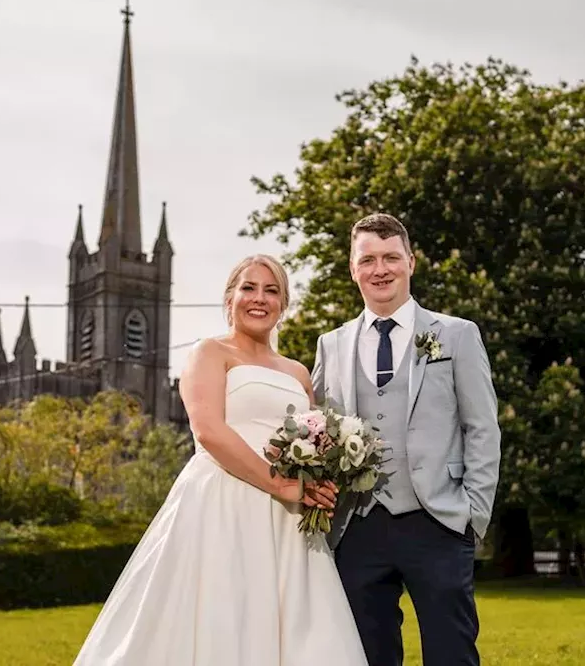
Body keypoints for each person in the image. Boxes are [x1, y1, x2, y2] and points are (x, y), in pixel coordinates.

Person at [73, 254, 368, 665]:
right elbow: (208, 432)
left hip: (288, 520)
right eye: (249, 287)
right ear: (229, 298)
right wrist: (277, 483)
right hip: (222, 505)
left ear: (284, 304)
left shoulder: (298, 373)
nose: (259, 298)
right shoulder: (209, 353)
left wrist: (317, 477)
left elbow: (313, 435)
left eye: (272, 290)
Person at [311, 213, 502, 666]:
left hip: (436, 519)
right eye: (369, 259)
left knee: (450, 653)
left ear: (411, 263)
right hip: (357, 527)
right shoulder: (330, 345)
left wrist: (473, 513)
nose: (381, 269)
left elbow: (483, 428)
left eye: (391, 257)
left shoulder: (456, 334)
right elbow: (320, 429)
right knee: (367, 655)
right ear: (353, 268)